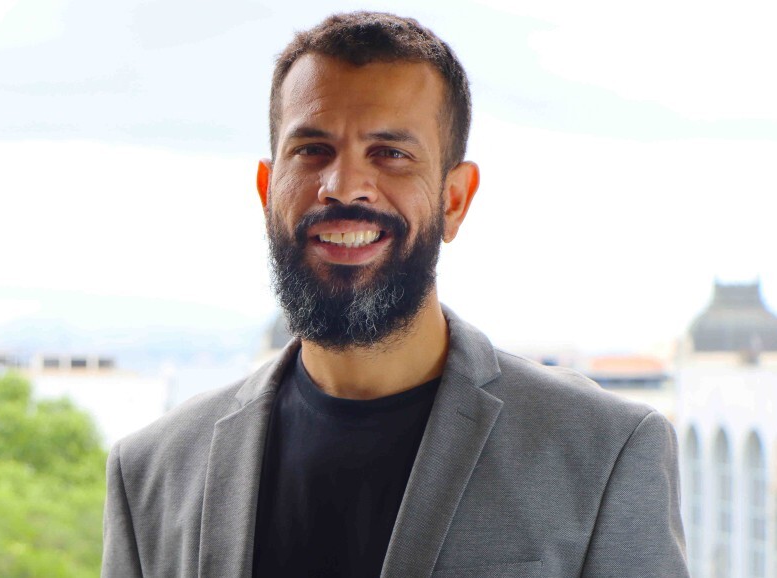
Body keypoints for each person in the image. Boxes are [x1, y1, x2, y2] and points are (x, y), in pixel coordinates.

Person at [102, 11, 689, 578]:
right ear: (267, 188)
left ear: (454, 200)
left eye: (391, 154)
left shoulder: (604, 451)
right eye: (312, 150)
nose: (344, 186)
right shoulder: (150, 473)